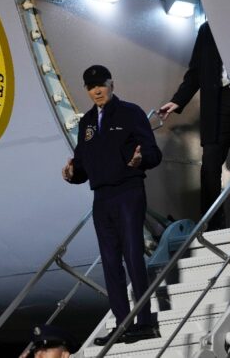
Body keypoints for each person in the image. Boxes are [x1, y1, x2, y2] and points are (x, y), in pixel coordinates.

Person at [62, 65, 161, 346]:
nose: (96, 90)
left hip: (128, 192)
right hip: (101, 198)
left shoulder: (131, 113)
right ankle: (122, 324)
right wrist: (72, 175)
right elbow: (81, 166)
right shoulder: (87, 123)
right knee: (110, 263)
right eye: (91, 86)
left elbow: (153, 153)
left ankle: (145, 323)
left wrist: (141, 160)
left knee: (132, 255)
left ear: (111, 84)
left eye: (101, 85)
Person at [158, 22, 230, 230]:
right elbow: (195, 70)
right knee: (210, 162)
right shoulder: (206, 29)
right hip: (216, 100)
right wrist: (178, 100)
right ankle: (213, 222)